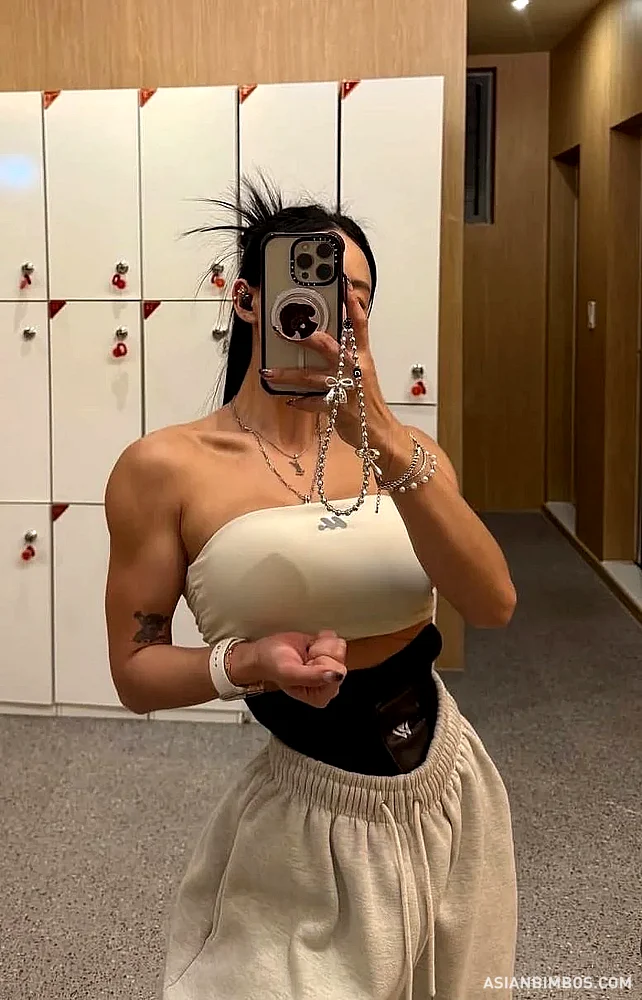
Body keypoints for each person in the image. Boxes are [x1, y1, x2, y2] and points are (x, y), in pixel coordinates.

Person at [105, 180, 518, 1000]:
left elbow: (492, 602)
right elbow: (135, 672)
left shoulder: (407, 455)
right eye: (313, 285)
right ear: (248, 300)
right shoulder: (166, 468)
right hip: (305, 810)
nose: (332, 312)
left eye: (353, 296)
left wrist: (385, 436)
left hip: (449, 785)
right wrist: (245, 663)